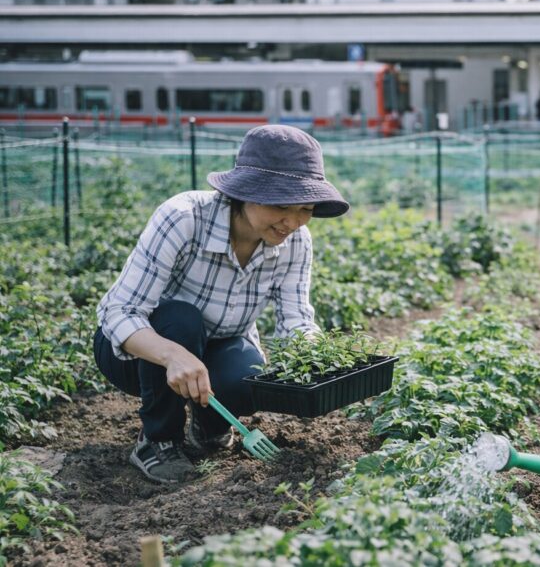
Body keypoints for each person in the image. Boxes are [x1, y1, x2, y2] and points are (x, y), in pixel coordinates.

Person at [95, 125, 350, 484]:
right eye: (281, 205)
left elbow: (296, 320)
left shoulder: (296, 241)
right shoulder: (184, 218)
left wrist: (321, 358)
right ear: (246, 192)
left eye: (305, 208)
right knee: (181, 320)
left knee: (248, 378)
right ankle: (157, 440)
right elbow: (118, 312)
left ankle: (209, 425)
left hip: (219, 343)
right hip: (139, 351)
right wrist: (171, 355)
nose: (292, 222)